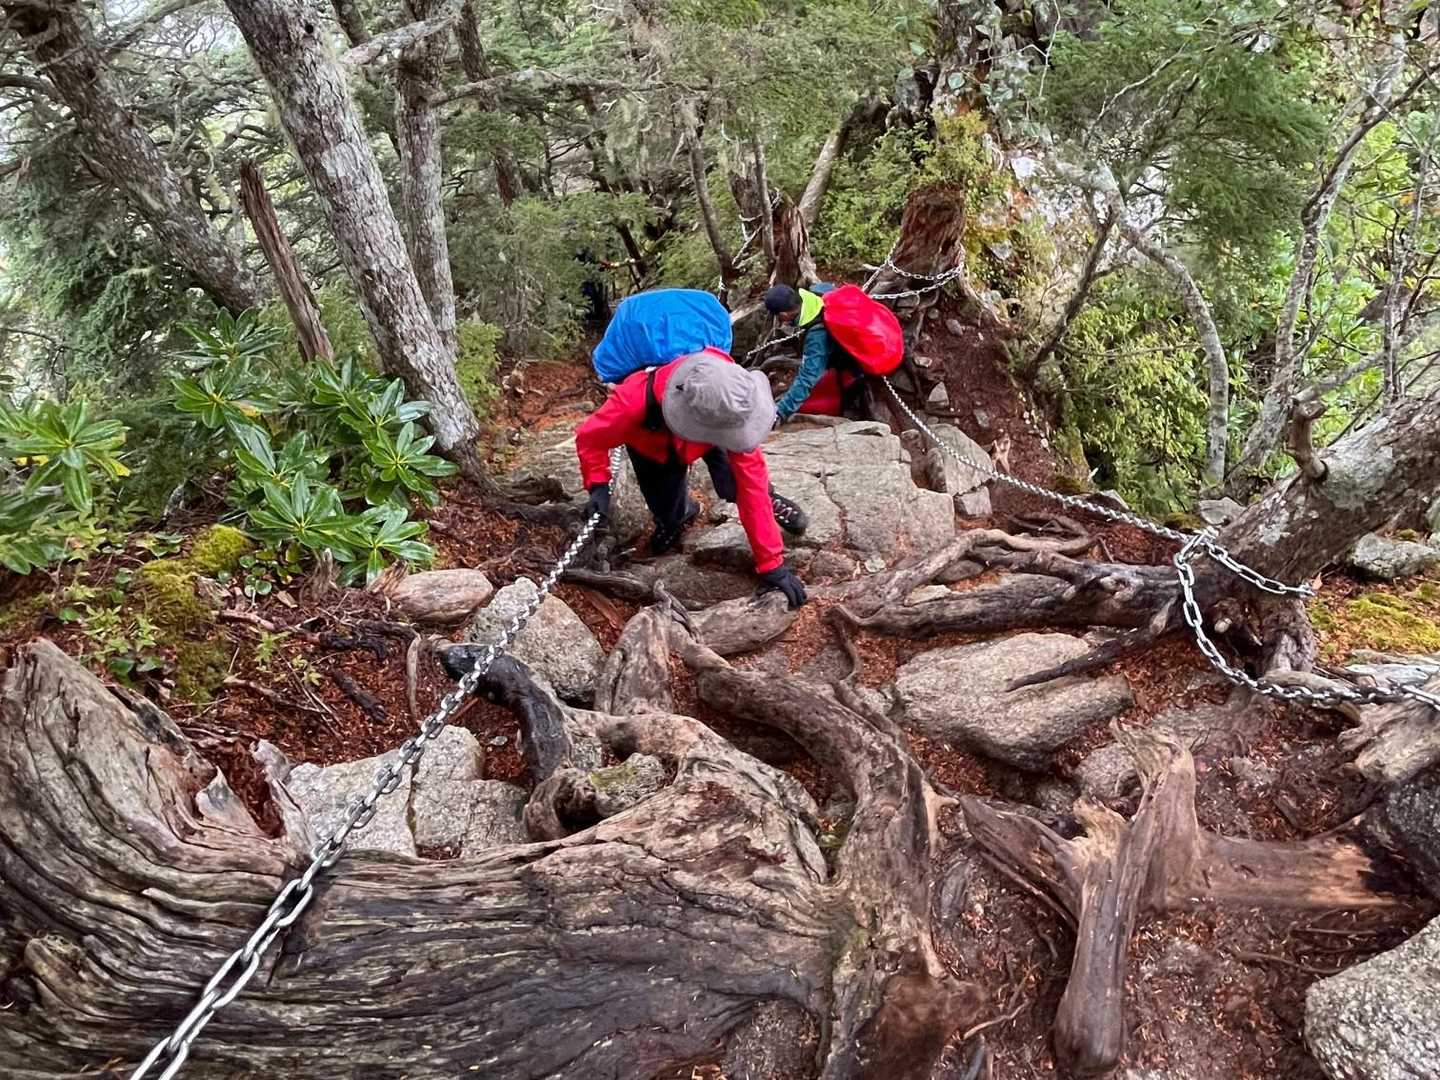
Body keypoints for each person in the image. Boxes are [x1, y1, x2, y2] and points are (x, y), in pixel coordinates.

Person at [575, 348, 807, 607]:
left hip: (716, 432)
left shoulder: (728, 394)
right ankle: (676, 518)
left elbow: (751, 482)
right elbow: (590, 439)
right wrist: (597, 485)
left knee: (738, 486)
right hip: (653, 447)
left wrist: (772, 563)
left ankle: (769, 497)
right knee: (668, 513)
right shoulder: (631, 404)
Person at [763, 282, 868, 423]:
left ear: (784, 315)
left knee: (817, 403)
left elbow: (808, 378)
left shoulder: (817, 335)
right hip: (859, 346)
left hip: (856, 369)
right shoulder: (816, 292)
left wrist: (780, 412)